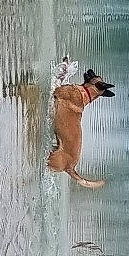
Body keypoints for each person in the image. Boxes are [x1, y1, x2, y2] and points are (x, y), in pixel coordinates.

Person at [46, 57, 113, 188]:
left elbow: (53, 89)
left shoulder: (74, 94)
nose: (90, 75)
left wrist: (63, 72)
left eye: (94, 78)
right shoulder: (78, 101)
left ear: (96, 86)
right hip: (65, 159)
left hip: (62, 158)